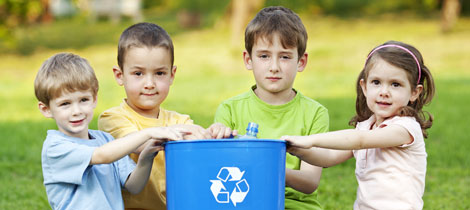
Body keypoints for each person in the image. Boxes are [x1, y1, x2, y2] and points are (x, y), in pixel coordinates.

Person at [282, 40, 435, 210]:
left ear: (414, 92)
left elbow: (360, 140)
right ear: (364, 87)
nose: (384, 92)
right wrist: (296, 149)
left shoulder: (405, 128)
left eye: (395, 84)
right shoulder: (366, 127)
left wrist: (309, 140)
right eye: (376, 82)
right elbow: (328, 157)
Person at [98, 22, 235, 210]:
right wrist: (179, 132)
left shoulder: (179, 121)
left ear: (172, 74)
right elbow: (138, 143)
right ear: (120, 75)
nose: (149, 83)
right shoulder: (112, 118)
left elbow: (200, 153)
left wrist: (215, 135)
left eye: (159, 73)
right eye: (138, 73)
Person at [34, 53, 189, 209]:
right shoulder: (55, 147)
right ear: (46, 109)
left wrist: (146, 157)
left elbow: (133, 186)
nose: (77, 111)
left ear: (94, 99)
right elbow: (102, 155)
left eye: (83, 100)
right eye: (65, 104)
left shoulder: (106, 140)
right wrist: (149, 132)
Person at [214, 6, 329, 210]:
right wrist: (214, 141)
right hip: (245, 202)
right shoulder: (229, 110)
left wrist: (268, 166)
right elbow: (220, 170)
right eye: (264, 56)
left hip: (295, 206)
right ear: (248, 60)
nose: (274, 66)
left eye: (284, 57)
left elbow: (310, 182)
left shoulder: (315, 113)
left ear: (301, 62)